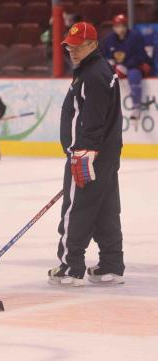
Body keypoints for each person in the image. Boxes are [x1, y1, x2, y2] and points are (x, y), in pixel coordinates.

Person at [48, 22, 124, 286]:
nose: (73, 50)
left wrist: (83, 152)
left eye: (80, 46)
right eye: (70, 45)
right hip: (103, 156)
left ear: (93, 45)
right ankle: (111, 266)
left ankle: (71, 267)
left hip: (87, 156)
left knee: (76, 210)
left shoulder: (93, 74)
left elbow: (92, 119)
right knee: (104, 210)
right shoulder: (94, 70)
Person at [101, 14, 153, 120]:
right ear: (114, 27)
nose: (121, 29)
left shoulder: (135, 36)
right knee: (105, 76)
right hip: (119, 67)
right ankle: (104, 106)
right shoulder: (108, 40)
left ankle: (136, 108)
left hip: (138, 65)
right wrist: (112, 64)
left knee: (133, 75)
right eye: (118, 26)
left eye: (123, 26)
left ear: (126, 26)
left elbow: (140, 56)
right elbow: (105, 55)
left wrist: (126, 66)